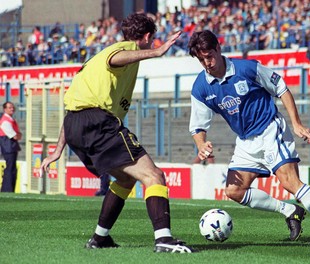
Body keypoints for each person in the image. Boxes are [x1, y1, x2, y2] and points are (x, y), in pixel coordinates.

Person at [40, 13, 195, 253]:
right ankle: (164, 239)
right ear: (146, 37)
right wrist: (156, 52)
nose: (152, 44)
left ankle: (100, 238)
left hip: (74, 125)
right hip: (98, 123)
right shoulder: (122, 50)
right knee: (154, 176)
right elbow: (117, 58)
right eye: (151, 40)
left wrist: (58, 149)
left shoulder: (94, 60)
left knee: (125, 178)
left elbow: (75, 107)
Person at [187, 30, 310, 245]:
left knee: (290, 182)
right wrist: (201, 144)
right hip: (245, 142)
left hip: (271, 129)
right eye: (201, 59)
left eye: (208, 56)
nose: (206, 63)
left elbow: (281, 88)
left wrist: (296, 123)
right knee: (234, 190)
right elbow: (197, 125)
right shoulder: (201, 87)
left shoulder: (247, 68)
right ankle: (289, 210)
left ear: (218, 48)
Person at [0, 102, 22, 192]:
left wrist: (17, 135)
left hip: (11, 146)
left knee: (12, 167)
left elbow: (18, 135)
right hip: (8, 147)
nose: (12, 109)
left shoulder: (10, 119)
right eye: (9, 108)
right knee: (10, 168)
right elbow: (15, 136)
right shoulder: (5, 121)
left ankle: (9, 188)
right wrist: (17, 135)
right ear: (5, 109)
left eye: (12, 107)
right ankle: (7, 189)